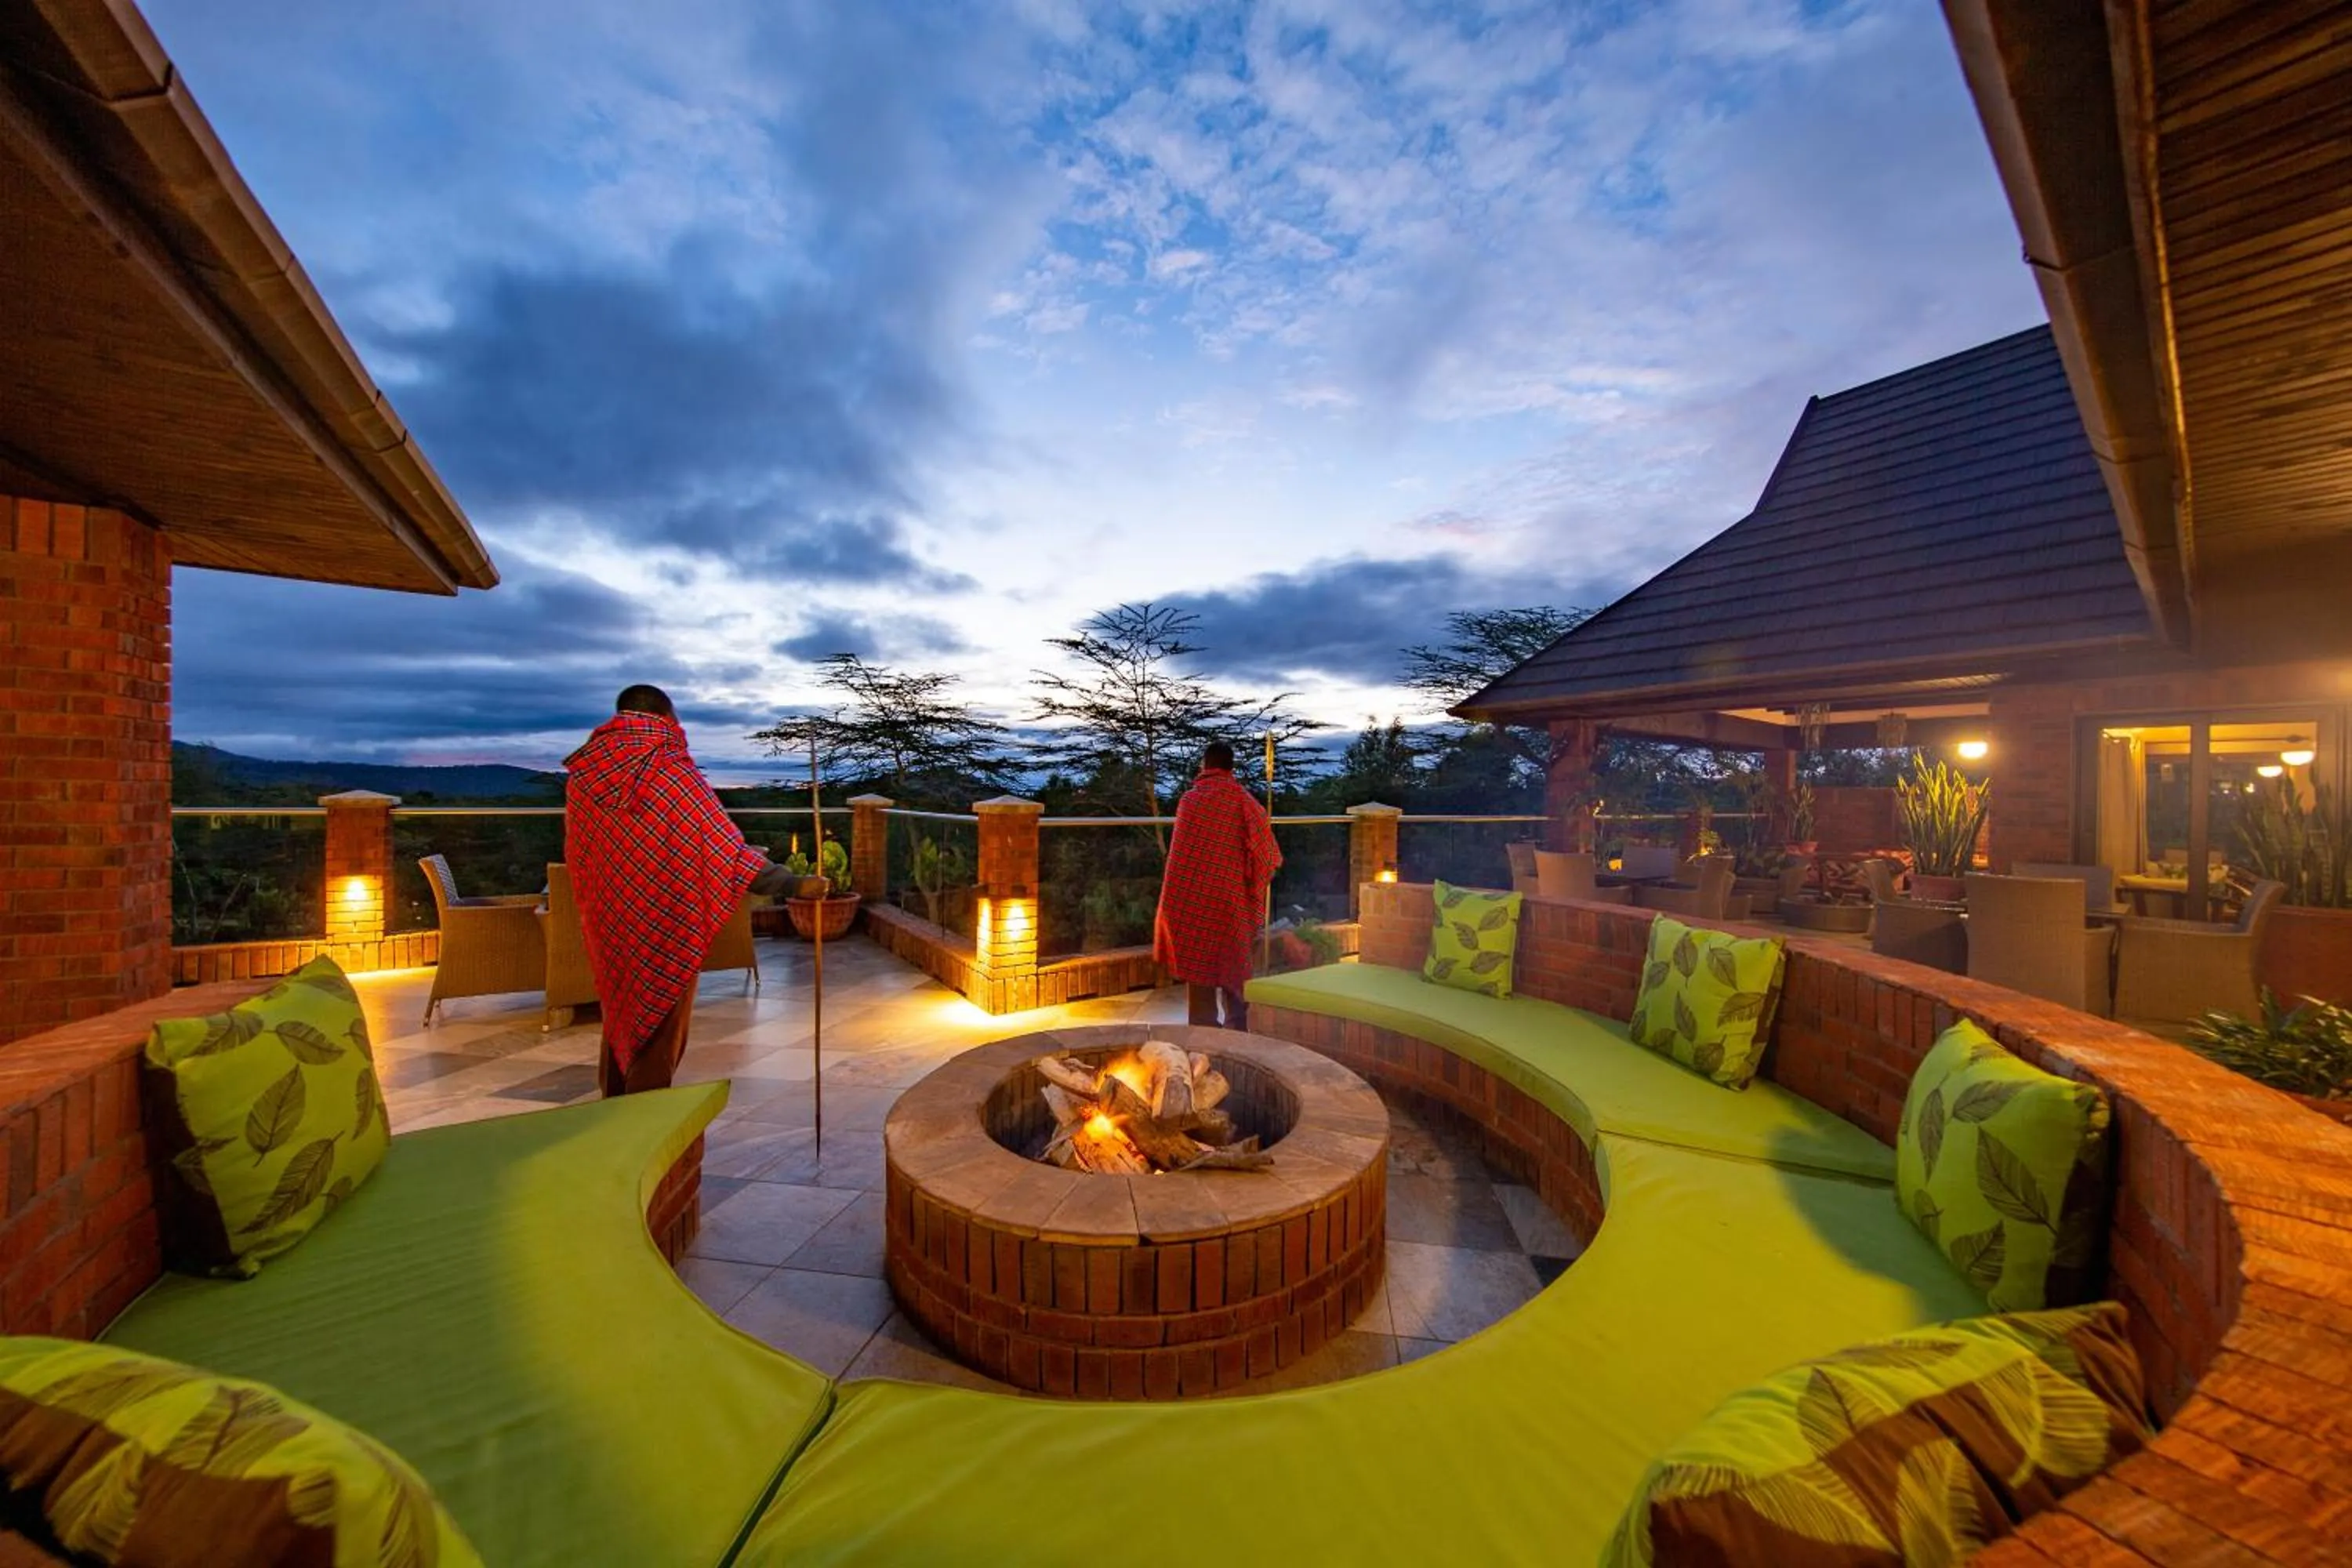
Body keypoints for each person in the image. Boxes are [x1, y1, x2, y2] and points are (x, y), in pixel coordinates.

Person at [565, 684, 799, 1096]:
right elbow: (723, 849)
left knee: (622, 1014)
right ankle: (647, 1122)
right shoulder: (668, 769)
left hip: (610, 916)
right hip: (665, 917)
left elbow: (585, 852)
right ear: (666, 717)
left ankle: (613, 1103)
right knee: (661, 1020)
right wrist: (790, 882)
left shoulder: (587, 774)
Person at [1154, 740, 1281, 1029]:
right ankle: (1236, 1036)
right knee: (1234, 966)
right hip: (1230, 903)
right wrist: (1252, 884)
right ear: (1230, 768)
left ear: (1205, 765)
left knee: (1199, 969)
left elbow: (1179, 862)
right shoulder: (1244, 801)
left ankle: (1202, 1035)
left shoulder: (1190, 801)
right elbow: (1267, 856)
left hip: (1194, 904)